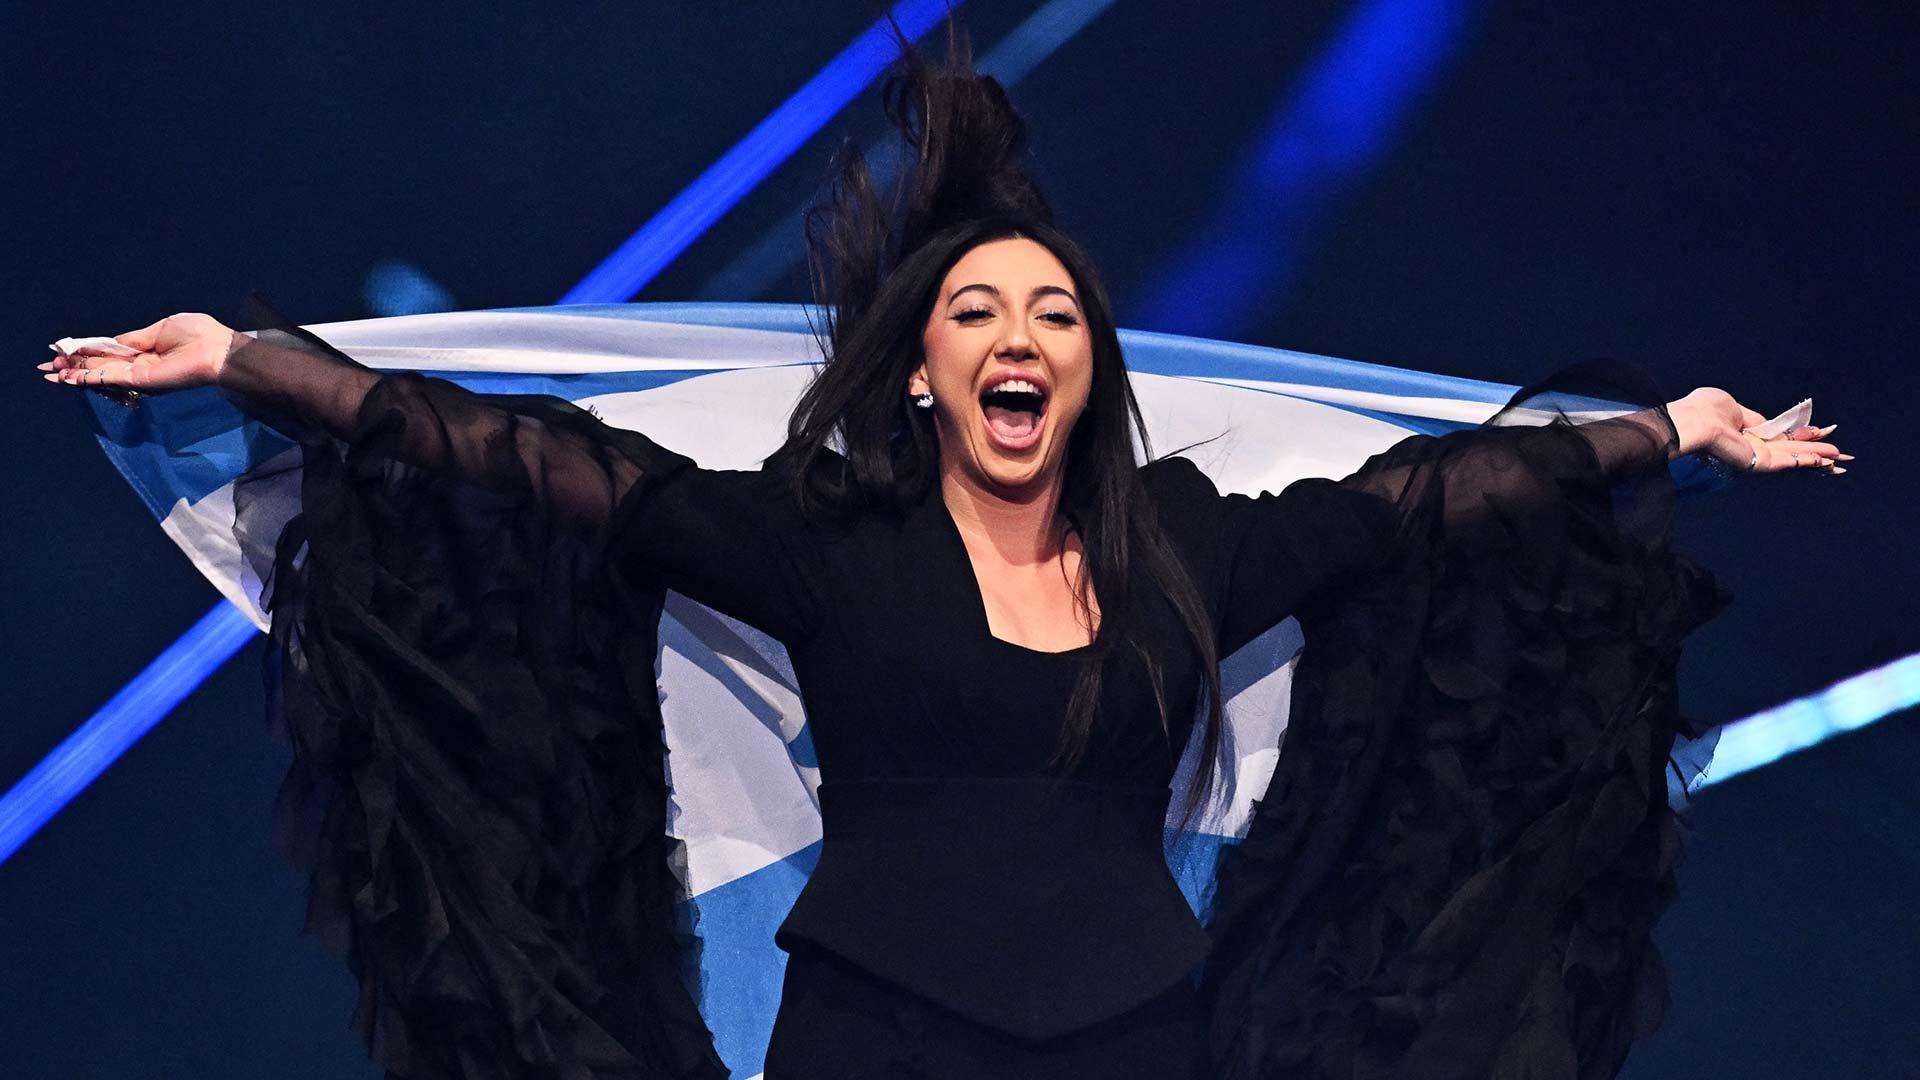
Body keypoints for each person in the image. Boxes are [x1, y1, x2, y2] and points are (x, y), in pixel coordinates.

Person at [42, 29, 1845, 1080]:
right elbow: (531, 458)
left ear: (1084, 372)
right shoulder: (825, 548)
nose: (1019, 333)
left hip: (1141, 1031)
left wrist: (1673, 432)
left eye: (1054, 314)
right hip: (876, 1035)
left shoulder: (1191, 557)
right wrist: (256, 363)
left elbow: (1437, 499)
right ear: (926, 367)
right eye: (978, 308)